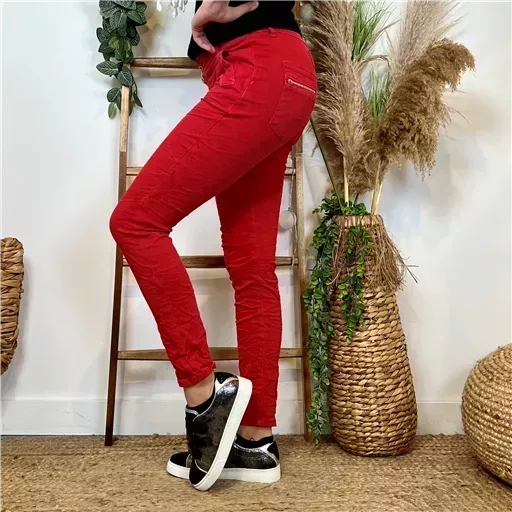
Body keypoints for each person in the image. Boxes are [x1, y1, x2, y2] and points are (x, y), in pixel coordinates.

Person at [109, 0, 317, 491]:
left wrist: (213, 7)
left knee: (135, 221)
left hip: (257, 68)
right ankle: (255, 442)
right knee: (253, 271)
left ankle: (205, 395)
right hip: (286, 74)